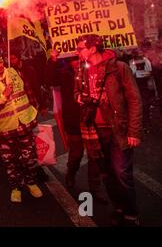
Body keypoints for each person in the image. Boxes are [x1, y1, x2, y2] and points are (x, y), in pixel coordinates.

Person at [75, 34, 143, 226]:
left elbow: (135, 100)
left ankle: (131, 214)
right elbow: (76, 92)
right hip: (94, 130)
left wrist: (134, 132)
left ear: (93, 48)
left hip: (118, 129)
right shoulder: (82, 69)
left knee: (121, 172)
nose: (77, 52)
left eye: (80, 48)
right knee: (107, 173)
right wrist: (81, 98)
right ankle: (119, 209)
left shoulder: (119, 68)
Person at [45, 50, 106, 204]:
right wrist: (52, 60)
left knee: (94, 155)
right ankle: (71, 174)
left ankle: (95, 187)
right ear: (68, 61)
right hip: (73, 120)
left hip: (90, 119)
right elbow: (50, 80)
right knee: (76, 153)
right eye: (72, 60)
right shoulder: (64, 74)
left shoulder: (90, 69)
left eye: (77, 59)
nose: (76, 62)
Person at [0, 54, 43, 203]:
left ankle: (31, 183)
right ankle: (15, 188)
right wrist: (4, 97)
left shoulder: (14, 73)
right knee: (10, 162)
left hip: (24, 124)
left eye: (0, 62)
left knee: (29, 158)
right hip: (6, 129)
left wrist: (34, 112)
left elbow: (29, 93)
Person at [9, 52, 49, 183]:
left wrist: (42, 105)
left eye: (13, 57)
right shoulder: (9, 72)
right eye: (8, 58)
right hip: (19, 112)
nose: (11, 60)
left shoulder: (29, 69)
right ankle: (29, 167)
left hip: (32, 107)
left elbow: (36, 87)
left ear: (18, 57)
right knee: (25, 141)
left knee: (34, 139)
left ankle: (37, 167)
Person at [129, 50, 153, 133]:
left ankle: (146, 124)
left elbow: (149, 73)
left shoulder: (145, 60)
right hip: (136, 87)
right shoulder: (131, 62)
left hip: (144, 87)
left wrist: (140, 75)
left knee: (145, 106)